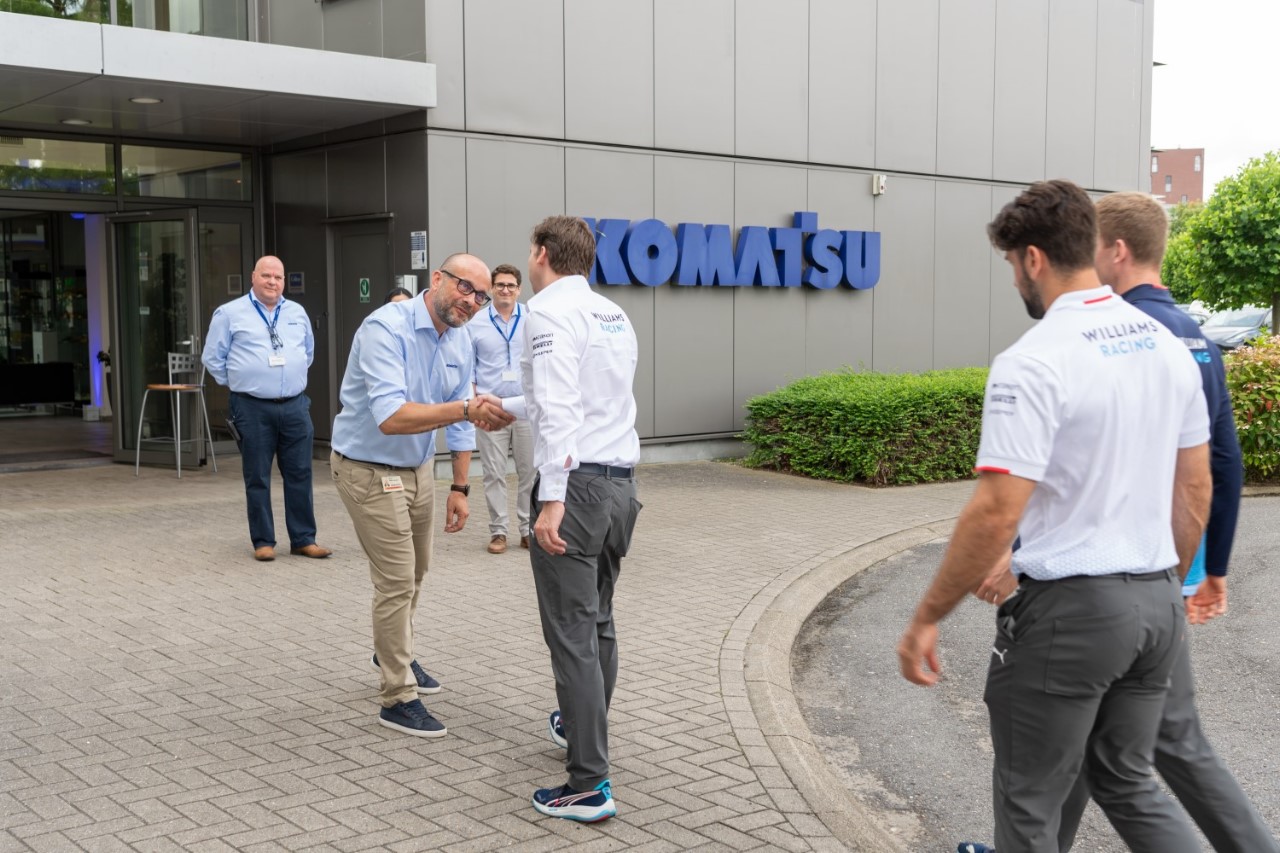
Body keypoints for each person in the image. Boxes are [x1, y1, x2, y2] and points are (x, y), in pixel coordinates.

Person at [897, 180, 1213, 852]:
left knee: (1029, 802)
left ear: (1033, 259)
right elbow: (1195, 491)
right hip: (1156, 597)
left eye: (1013, 265)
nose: (1016, 278)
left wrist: (927, 616)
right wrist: (1159, 588)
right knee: (1127, 781)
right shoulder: (1166, 346)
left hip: (1069, 612)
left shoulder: (1033, 361)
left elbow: (995, 510)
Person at [330, 254, 514, 738]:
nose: (473, 301)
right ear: (437, 280)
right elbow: (391, 416)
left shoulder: (460, 338)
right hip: (367, 469)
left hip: (415, 470)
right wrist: (464, 408)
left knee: (416, 572)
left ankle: (393, 650)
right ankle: (397, 696)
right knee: (394, 581)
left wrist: (459, 486)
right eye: (465, 288)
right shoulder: (384, 329)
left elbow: (460, 423)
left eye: (481, 294)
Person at [498, 216, 641, 823]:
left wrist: (550, 499)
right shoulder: (613, 313)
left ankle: (589, 784)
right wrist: (499, 407)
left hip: (573, 491)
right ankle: (582, 727)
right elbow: (574, 399)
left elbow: (558, 410)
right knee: (598, 623)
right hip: (618, 489)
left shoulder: (546, 313)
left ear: (541, 253)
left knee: (572, 638)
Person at [203, 255, 332, 563]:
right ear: (253, 277)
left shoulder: (296, 312)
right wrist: (240, 381)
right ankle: (263, 541)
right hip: (251, 406)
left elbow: (308, 353)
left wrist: (286, 380)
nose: (273, 282)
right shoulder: (230, 313)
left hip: (295, 405)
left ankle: (304, 539)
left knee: (300, 473)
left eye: (278, 277)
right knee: (258, 475)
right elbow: (213, 359)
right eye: (267, 276)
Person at [468, 263, 535, 554]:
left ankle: (528, 529)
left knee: (529, 472)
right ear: (492, 289)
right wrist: (473, 406)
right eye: (500, 285)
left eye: (510, 285)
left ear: (519, 289)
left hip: (524, 408)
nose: (505, 290)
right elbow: (468, 370)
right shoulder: (476, 323)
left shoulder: (533, 319)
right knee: (493, 472)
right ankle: (498, 532)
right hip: (489, 408)